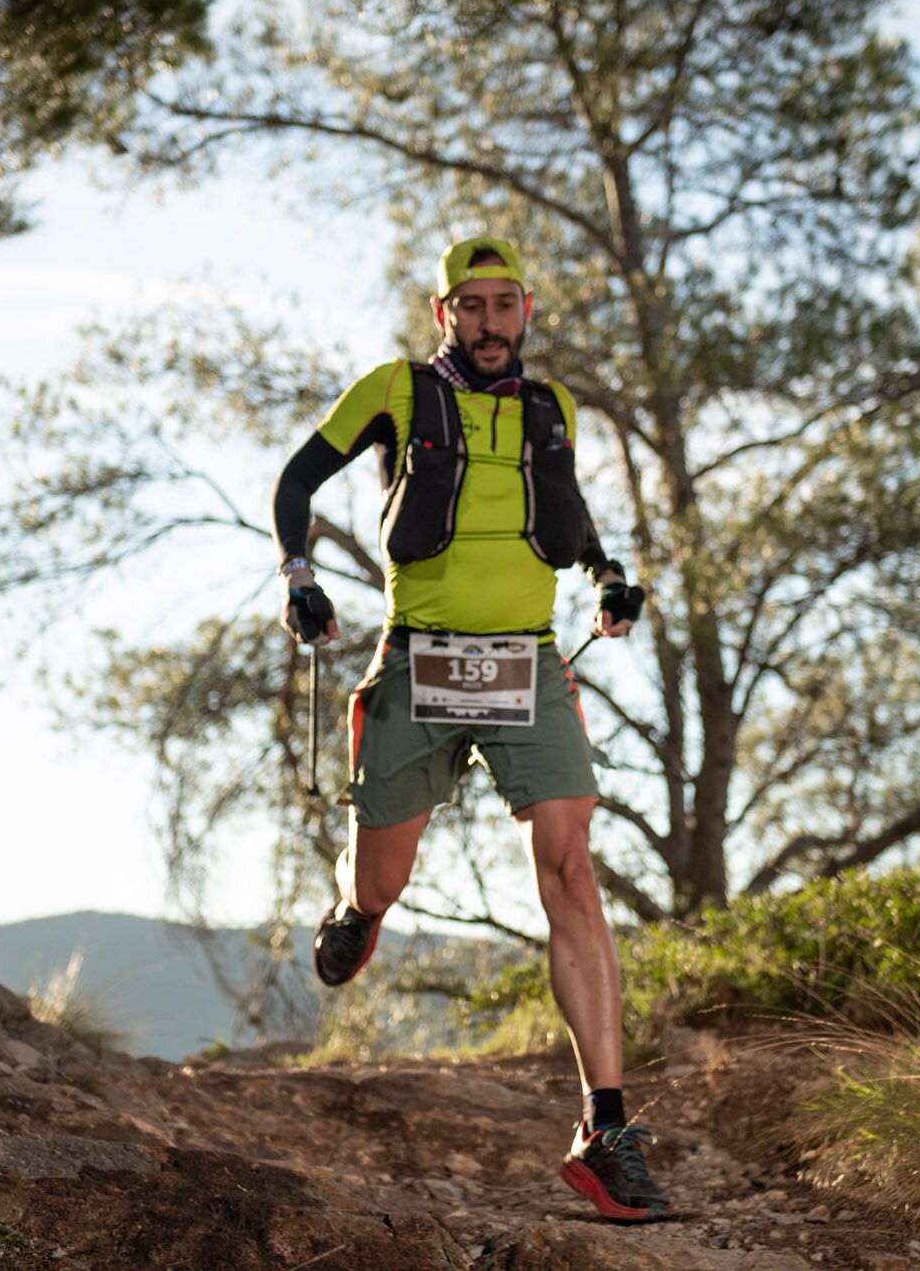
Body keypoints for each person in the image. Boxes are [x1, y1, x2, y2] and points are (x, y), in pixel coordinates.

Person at [270, 235, 668, 1223]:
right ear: (442, 311)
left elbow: (566, 516)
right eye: (470, 306)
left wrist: (607, 577)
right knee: (380, 880)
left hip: (527, 664)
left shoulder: (550, 408)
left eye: (504, 305)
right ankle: (356, 913)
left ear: (524, 309)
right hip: (418, 659)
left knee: (570, 867)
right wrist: (299, 578)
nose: (489, 323)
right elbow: (294, 484)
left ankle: (603, 1129)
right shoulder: (396, 393)